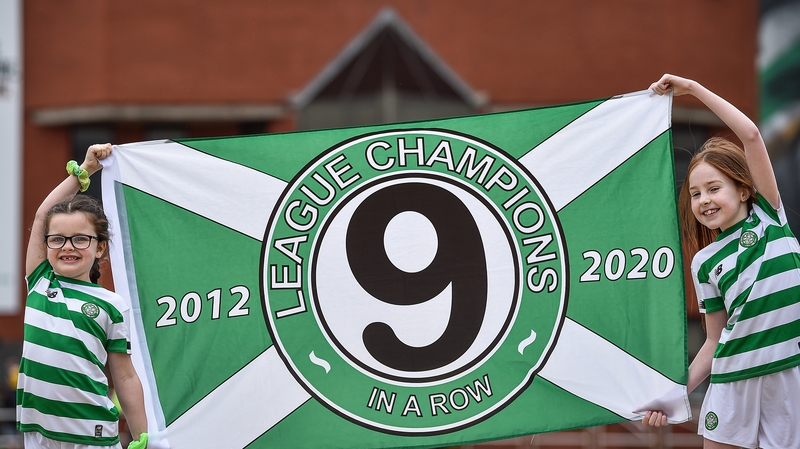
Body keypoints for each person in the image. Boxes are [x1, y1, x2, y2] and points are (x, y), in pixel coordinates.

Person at [642, 74, 800, 449]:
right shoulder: (704, 262)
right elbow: (713, 340)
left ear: (744, 189)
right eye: (695, 193)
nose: (704, 200)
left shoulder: (769, 218)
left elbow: (750, 135)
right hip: (732, 384)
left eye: (714, 188)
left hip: (786, 380)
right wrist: (672, 396)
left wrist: (693, 90)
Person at [17, 144, 148, 448]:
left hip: (92, 436)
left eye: (80, 239)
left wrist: (142, 437)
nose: (67, 246)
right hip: (38, 434)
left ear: (100, 247)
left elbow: (125, 378)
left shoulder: (112, 305)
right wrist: (85, 170)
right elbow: (41, 217)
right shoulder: (39, 280)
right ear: (46, 244)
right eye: (58, 239)